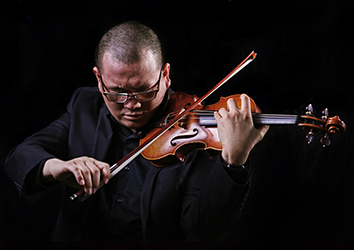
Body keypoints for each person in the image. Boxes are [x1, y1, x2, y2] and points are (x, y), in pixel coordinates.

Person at [4, 21, 269, 242]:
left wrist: (234, 161)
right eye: (118, 92)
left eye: (145, 90)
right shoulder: (86, 106)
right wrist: (57, 167)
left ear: (165, 75)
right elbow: (19, 157)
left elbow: (201, 230)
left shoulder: (192, 133)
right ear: (99, 79)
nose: (132, 104)